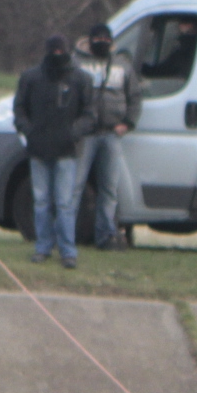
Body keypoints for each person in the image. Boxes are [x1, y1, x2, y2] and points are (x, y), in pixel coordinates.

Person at [12, 33, 96, 269]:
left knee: (64, 203)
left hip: (67, 151)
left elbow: (90, 114)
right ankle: (43, 247)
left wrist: (72, 133)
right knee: (41, 201)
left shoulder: (80, 79)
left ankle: (68, 252)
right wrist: (29, 131)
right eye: (53, 51)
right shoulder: (31, 78)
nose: (57, 56)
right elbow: (19, 109)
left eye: (60, 51)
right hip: (38, 150)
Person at [73, 22, 140, 249]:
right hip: (85, 135)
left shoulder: (122, 65)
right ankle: (66, 236)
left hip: (111, 134)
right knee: (75, 186)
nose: (102, 42)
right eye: (97, 38)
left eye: (105, 38)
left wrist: (128, 123)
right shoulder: (77, 63)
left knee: (109, 188)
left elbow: (135, 97)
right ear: (89, 40)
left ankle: (105, 237)